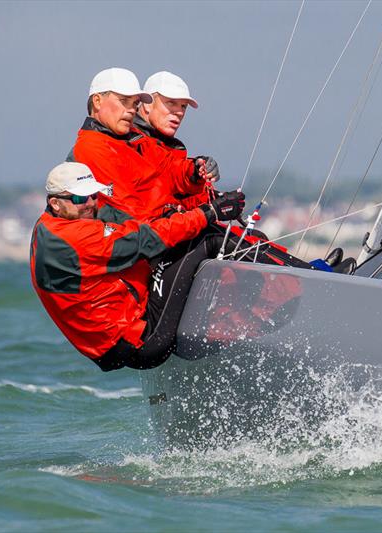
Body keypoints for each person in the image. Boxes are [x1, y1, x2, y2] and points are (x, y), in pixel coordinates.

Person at [30, 162, 246, 371]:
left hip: (114, 346)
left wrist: (192, 208)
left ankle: (221, 326)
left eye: (94, 195)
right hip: (142, 341)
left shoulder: (46, 227)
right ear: (55, 203)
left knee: (178, 238)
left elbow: (132, 229)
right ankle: (265, 294)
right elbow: (147, 239)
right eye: (79, 198)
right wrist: (210, 212)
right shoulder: (76, 237)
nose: (90, 204)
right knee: (202, 238)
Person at [69, 67, 218, 223]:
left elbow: (167, 171)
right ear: (97, 101)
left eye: (134, 103)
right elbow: (132, 215)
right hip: (138, 240)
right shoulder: (92, 148)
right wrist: (203, 213)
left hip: (156, 234)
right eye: (124, 101)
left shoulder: (131, 139)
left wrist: (195, 170)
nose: (132, 110)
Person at [133, 71, 213, 212]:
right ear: (147, 105)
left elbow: (177, 202)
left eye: (183, 106)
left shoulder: (173, 149)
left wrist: (213, 199)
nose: (179, 112)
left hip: (172, 225)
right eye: (171, 103)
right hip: (148, 229)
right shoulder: (130, 143)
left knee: (253, 235)